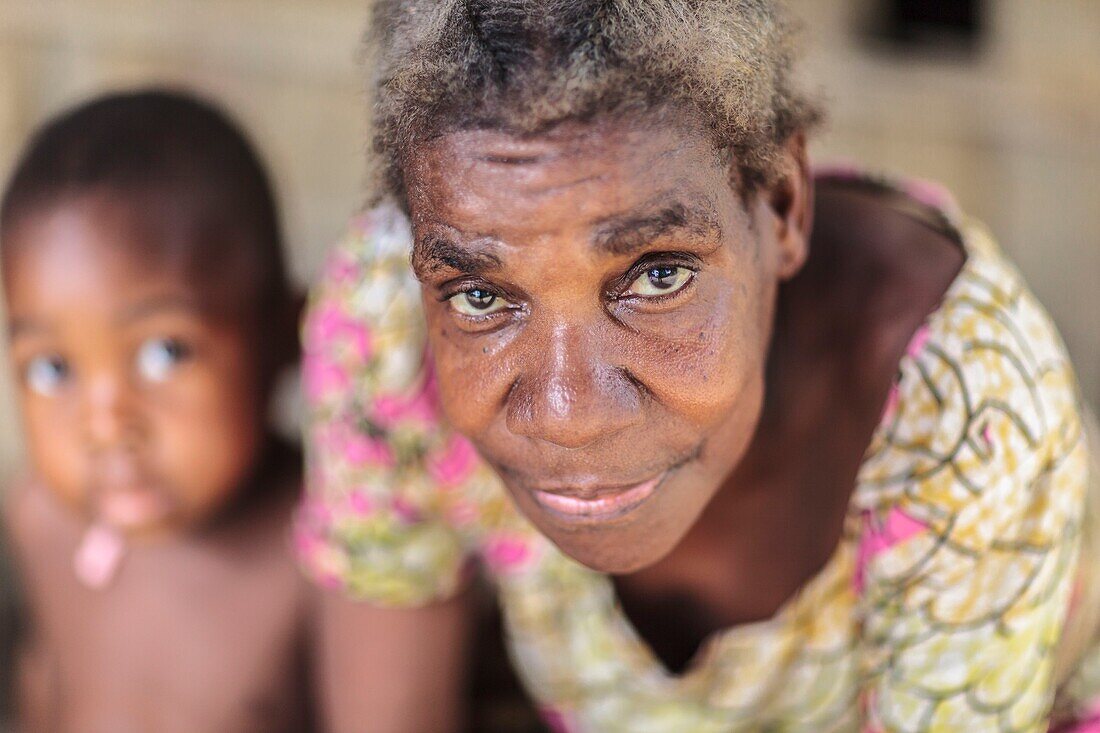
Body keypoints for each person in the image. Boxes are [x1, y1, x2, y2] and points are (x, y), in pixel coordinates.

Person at [296, 2, 1100, 731]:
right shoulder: (385, 314)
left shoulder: (965, 409)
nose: (571, 412)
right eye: (480, 295)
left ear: (783, 205)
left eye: (657, 276)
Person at [0, 89, 312, 732]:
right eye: (52, 368)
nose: (106, 425)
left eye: (166, 353)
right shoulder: (41, 522)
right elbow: (45, 687)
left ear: (285, 334)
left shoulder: (330, 553)